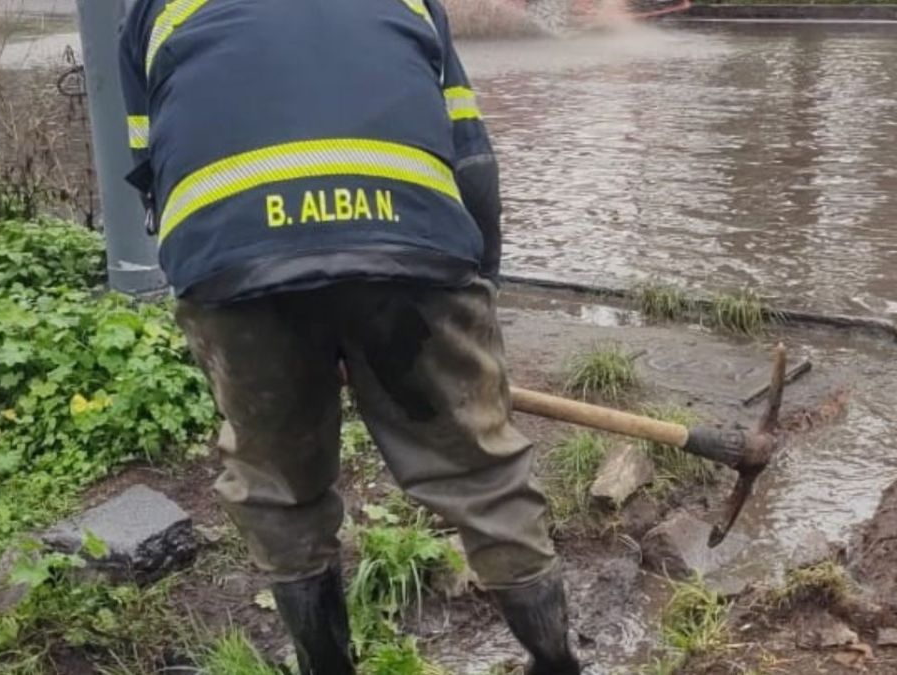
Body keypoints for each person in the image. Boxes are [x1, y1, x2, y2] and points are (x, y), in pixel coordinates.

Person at [117, 0, 581, 671]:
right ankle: (557, 662)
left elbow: (152, 168)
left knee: (279, 488)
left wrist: (258, 295)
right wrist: (479, 289)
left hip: (234, 255)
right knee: (484, 475)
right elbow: (473, 161)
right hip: (411, 239)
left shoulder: (147, 8)